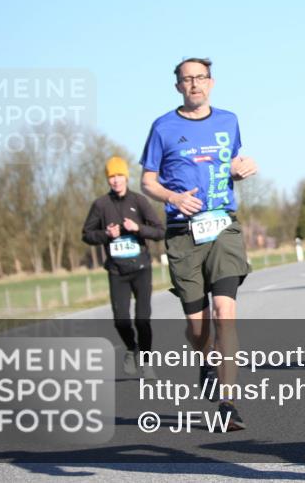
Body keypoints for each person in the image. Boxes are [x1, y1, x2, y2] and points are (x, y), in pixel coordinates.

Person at [140, 57, 259, 431]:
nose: (194, 84)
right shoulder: (163, 127)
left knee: (226, 312)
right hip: (183, 233)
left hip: (223, 227)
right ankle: (205, 359)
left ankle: (229, 402)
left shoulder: (229, 120)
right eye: (187, 79)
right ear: (177, 86)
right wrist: (172, 199)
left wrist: (242, 169)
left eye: (200, 78)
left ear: (212, 82)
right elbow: (147, 181)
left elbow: (233, 164)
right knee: (198, 328)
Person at [82, 156, 165, 379]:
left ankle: (147, 362)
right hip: (117, 271)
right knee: (121, 320)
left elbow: (159, 231)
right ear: (108, 180)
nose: (116, 180)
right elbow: (87, 235)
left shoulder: (139, 202)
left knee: (142, 319)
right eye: (112, 177)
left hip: (141, 268)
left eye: (119, 175)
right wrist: (105, 234)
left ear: (126, 177)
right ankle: (131, 348)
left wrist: (138, 228)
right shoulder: (100, 205)